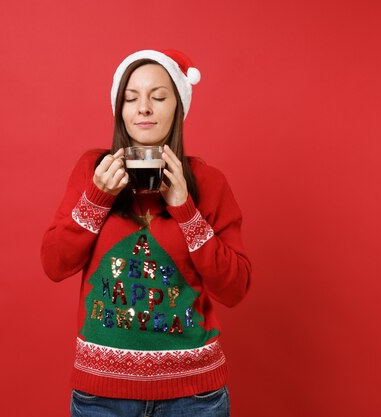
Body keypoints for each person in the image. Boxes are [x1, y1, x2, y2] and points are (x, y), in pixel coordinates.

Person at [41, 49, 251, 417]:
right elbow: (54, 264)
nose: (144, 109)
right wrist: (97, 196)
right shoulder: (91, 171)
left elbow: (234, 289)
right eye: (131, 98)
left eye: (158, 97)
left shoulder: (209, 182)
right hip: (101, 396)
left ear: (178, 108)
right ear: (120, 109)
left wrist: (186, 210)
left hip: (193, 397)